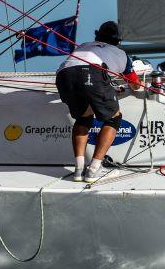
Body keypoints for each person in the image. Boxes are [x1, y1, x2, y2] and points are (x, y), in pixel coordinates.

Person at [55, 21, 141, 182]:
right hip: (92, 74)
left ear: (97, 36)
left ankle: (79, 170)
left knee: (84, 117)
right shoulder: (122, 54)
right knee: (114, 118)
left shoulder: (84, 46)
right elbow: (135, 85)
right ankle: (94, 169)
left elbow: (79, 69)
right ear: (118, 41)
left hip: (63, 75)